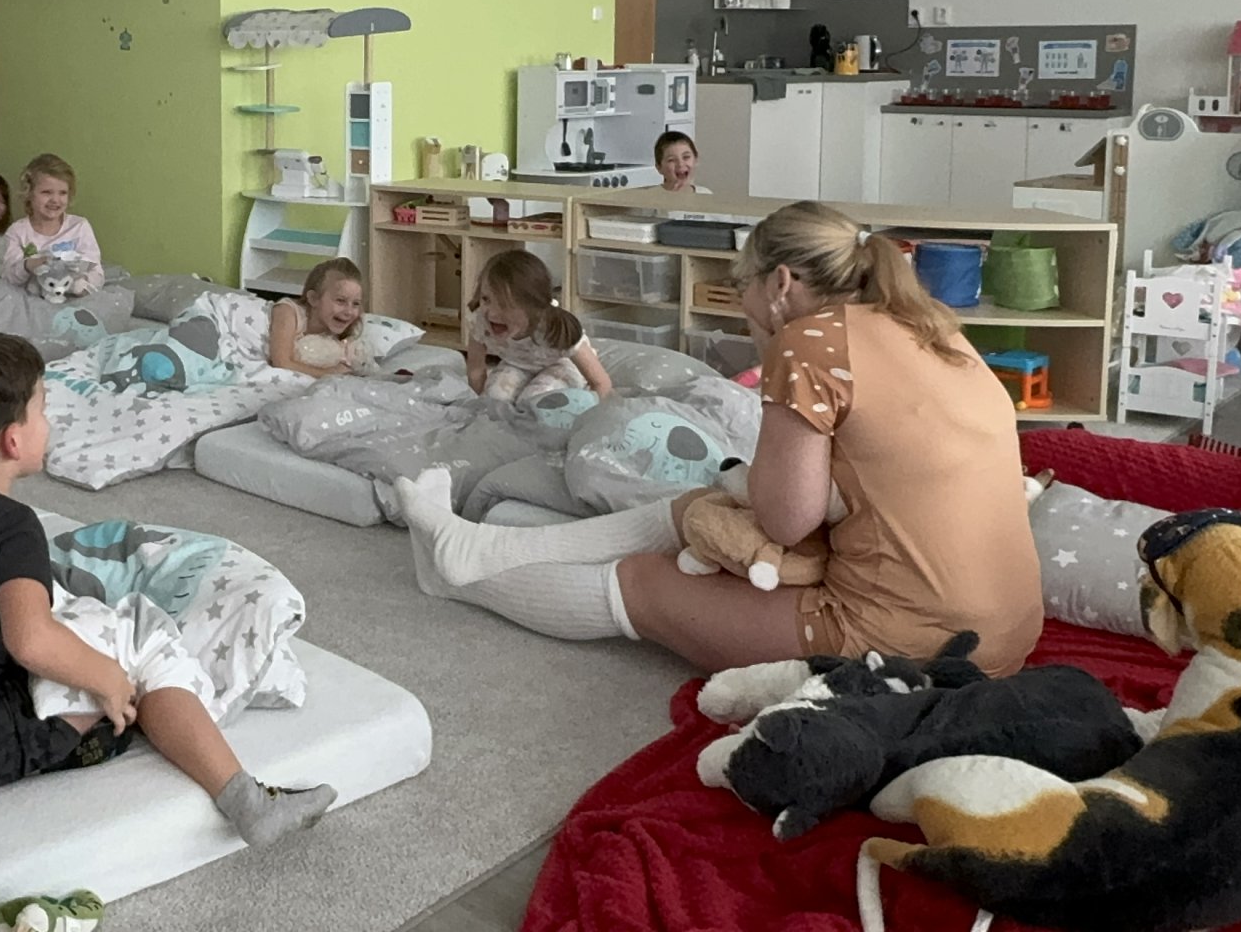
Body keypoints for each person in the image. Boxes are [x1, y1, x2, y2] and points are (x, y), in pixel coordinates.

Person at [397, 201, 1044, 677]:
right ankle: (478, 547)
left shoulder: (809, 343)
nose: (742, 304)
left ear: (780, 284)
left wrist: (770, 360)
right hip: (1008, 627)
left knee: (645, 583)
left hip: (912, 641)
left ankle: (458, 573)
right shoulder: (929, 326)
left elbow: (786, 521)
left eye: (741, 286)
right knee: (700, 508)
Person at [0, 333, 336, 843]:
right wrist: (109, 680)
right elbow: (30, 641)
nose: (49, 422)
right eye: (42, 410)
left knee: (71, 618)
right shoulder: (12, 527)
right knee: (139, 646)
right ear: (12, 441)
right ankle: (245, 799)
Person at [466, 249, 612, 403]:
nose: (492, 314)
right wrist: (482, 407)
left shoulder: (555, 327)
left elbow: (601, 383)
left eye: (504, 304)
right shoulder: (481, 321)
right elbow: (476, 370)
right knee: (495, 397)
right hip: (517, 364)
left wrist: (594, 408)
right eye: (486, 299)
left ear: (533, 307)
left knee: (535, 400)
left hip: (561, 364)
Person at [1, 154, 104, 291]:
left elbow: (96, 271)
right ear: (29, 193)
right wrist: (27, 265)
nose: (55, 200)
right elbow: (9, 276)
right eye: (47, 192)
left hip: (71, 296)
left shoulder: (79, 227)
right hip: (29, 297)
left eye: (62, 193)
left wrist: (80, 286)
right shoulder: (17, 232)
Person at [267, 257, 373, 377]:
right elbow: (281, 362)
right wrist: (328, 374)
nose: (349, 312)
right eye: (340, 301)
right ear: (314, 299)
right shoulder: (288, 311)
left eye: (356, 304)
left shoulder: (343, 327)